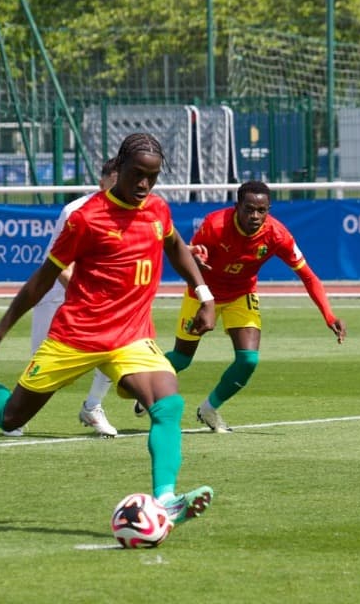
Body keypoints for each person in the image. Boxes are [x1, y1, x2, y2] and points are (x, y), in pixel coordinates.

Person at [0, 133, 217, 526]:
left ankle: (165, 500)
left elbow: (174, 244)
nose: (145, 184)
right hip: (76, 336)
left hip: (131, 337)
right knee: (12, 419)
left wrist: (204, 293)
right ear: (119, 168)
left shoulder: (157, 209)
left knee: (168, 403)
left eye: (153, 176)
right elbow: (42, 279)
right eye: (138, 174)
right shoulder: (86, 218)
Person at [143, 180, 347, 432]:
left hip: (241, 294)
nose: (255, 216)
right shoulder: (215, 225)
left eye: (262, 210)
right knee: (182, 360)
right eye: (249, 209)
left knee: (248, 360)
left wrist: (329, 315)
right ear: (237, 206)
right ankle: (145, 383)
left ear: (269, 209)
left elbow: (309, 276)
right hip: (203, 295)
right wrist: (198, 259)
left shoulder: (277, 234)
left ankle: (209, 409)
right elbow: (188, 255)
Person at [30, 160, 120, 437]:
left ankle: (92, 406)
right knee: (41, 367)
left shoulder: (131, 213)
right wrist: (82, 292)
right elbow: (57, 263)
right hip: (57, 294)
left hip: (98, 299)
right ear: (102, 182)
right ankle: (11, 412)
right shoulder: (76, 211)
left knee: (114, 349)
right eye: (116, 180)